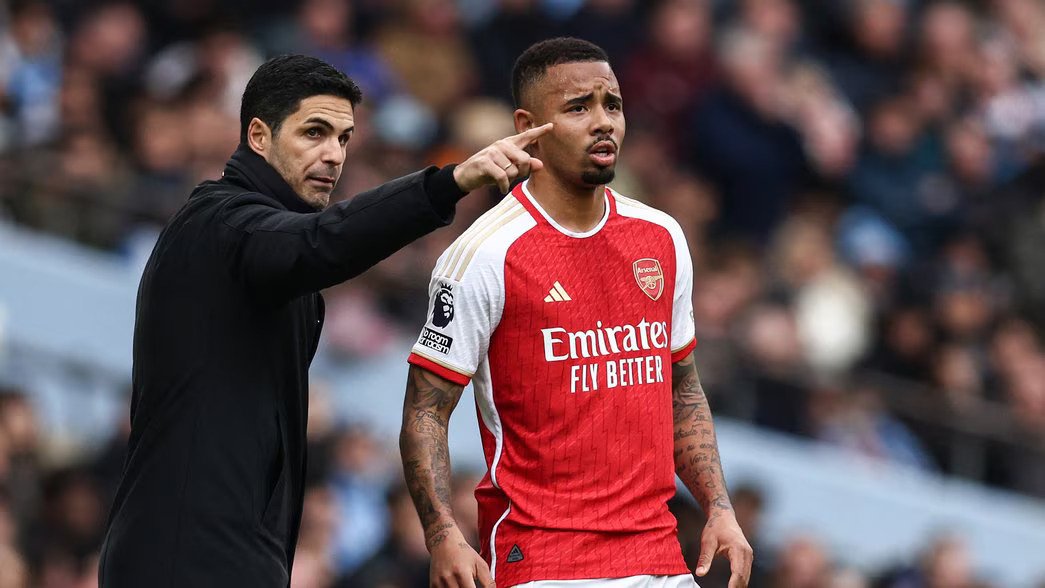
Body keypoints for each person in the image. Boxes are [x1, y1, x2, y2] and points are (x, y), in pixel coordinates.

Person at [98, 54, 551, 588]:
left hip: (229, 552)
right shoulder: (221, 222)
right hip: (185, 557)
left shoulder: (257, 236)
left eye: (343, 138)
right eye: (315, 132)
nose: (333, 155)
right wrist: (448, 183)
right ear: (259, 136)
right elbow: (321, 243)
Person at [400, 38, 753, 588]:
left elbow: (681, 389)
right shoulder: (485, 254)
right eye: (577, 107)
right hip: (542, 561)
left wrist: (719, 507)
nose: (603, 122)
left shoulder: (661, 237)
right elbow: (426, 410)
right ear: (527, 126)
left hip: (658, 556)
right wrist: (443, 534)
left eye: (611, 104)